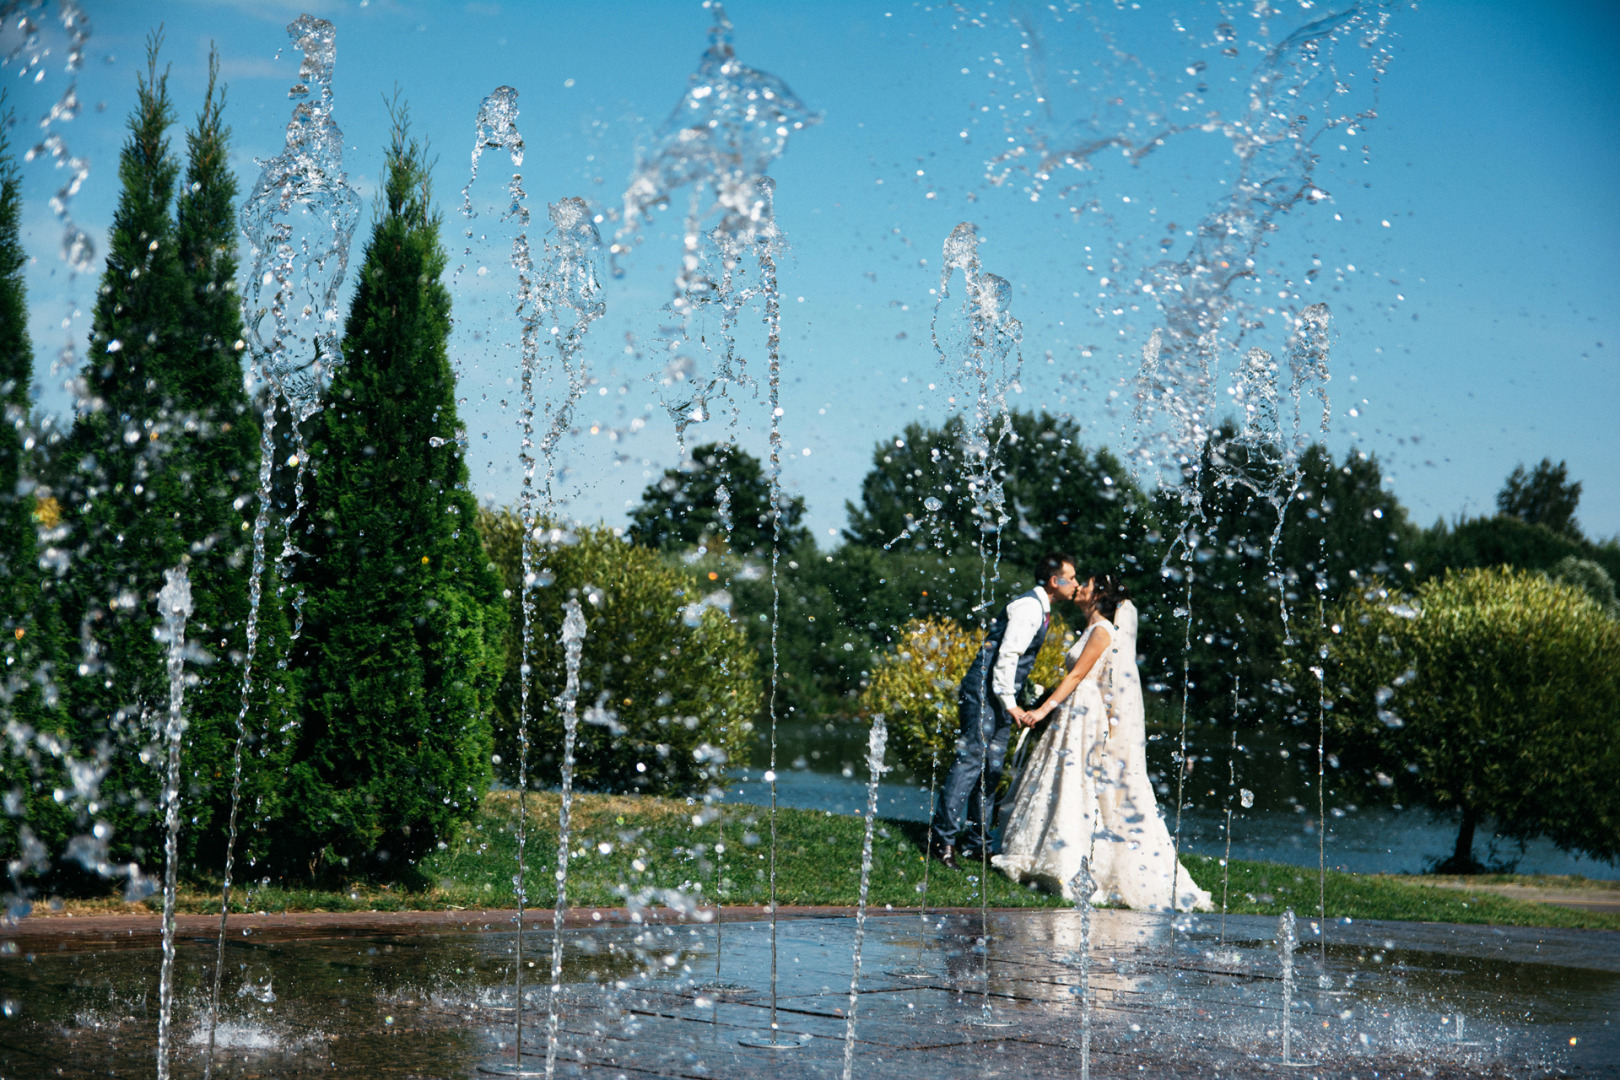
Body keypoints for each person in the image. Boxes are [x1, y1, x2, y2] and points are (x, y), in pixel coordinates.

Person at [998, 573, 1212, 911]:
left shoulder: (1102, 631)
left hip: (1084, 715)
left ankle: (1069, 863)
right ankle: (1044, 854)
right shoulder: (1092, 629)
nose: (1080, 586)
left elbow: (1078, 675)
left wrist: (1042, 710)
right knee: (1062, 781)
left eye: (1088, 584)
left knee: (1075, 783)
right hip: (1075, 712)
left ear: (1099, 598)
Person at [929, 551, 1079, 871]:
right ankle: (942, 839)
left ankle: (975, 843)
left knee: (992, 768)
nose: (1076, 584)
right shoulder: (1029, 607)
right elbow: (1007, 656)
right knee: (971, 762)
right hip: (985, 693)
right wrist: (1010, 702)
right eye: (1072, 577)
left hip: (998, 695)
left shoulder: (1040, 608)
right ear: (1055, 581)